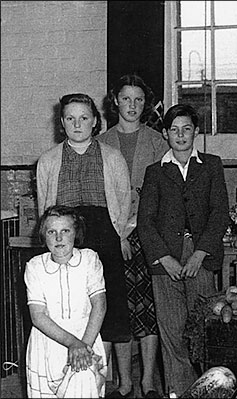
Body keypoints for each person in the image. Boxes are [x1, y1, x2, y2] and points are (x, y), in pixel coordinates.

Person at [36, 93, 133, 394]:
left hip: (105, 234)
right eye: (70, 118)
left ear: (95, 121)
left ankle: (121, 381)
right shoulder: (48, 160)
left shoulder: (112, 156)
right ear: (62, 123)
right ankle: (85, 377)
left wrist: (122, 236)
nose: (77, 124)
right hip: (67, 236)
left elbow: (125, 200)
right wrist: (51, 244)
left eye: (84, 118)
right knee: (77, 307)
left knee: (111, 306)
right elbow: (44, 207)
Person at [137, 103, 230, 397]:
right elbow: (145, 222)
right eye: (174, 130)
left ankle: (210, 389)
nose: (180, 135)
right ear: (165, 134)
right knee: (172, 331)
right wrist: (165, 259)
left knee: (204, 328)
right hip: (165, 258)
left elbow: (220, 213)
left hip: (201, 256)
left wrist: (200, 253)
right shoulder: (155, 172)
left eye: (186, 129)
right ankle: (179, 391)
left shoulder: (212, 165)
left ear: (196, 132)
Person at [97, 74, 169, 398]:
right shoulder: (101, 143)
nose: (132, 106)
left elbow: (166, 192)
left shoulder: (157, 142)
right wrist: (118, 230)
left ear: (146, 103)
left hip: (147, 233)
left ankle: (148, 382)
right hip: (113, 235)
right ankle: (125, 381)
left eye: (138, 99)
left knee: (148, 309)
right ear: (115, 101)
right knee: (120, 309)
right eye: (126, 99)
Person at [24, 205, 108, 398]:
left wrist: (83, 347)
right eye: (52, 232)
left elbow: (100, 305)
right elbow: (38, 317)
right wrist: (73, 344)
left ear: (76, 233)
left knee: (85, 387)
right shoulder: (35, 266)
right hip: (47, 343)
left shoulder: (89, 259)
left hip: (86, 336)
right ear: (44, 236)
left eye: (65, 231)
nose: (59, 238)